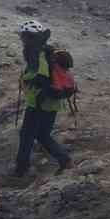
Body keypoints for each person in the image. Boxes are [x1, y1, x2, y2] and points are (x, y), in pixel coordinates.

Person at [14, 20, 73, 177]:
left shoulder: (38, 53)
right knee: (42, 134)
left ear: (28, 36)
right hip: (51, 103)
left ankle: (21, 169)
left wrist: (31, 82)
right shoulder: (46, 51)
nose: (22, 40)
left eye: (23, 36)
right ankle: (65, 160)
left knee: (26, 135)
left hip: (39, 103)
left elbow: (43, 77)